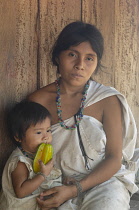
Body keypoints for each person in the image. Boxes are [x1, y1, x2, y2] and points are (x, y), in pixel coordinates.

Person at [28, 21, 138, 210]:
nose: (80, 65)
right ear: (57, 56)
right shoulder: (38, 101)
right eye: (72, 54)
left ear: (96, 63)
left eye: (89, 58)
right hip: (54, 183)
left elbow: (114, 157)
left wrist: (74, 190)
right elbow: (28, 153)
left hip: (104, 182)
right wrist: (51, 183)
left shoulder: (106, 100)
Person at [0, 101, 63, 210]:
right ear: (18, 137)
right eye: (39, 133)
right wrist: (43, 175)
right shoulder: (20, 162)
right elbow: (21, 192)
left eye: (48, 130)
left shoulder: (38, 155)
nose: (46, 137)